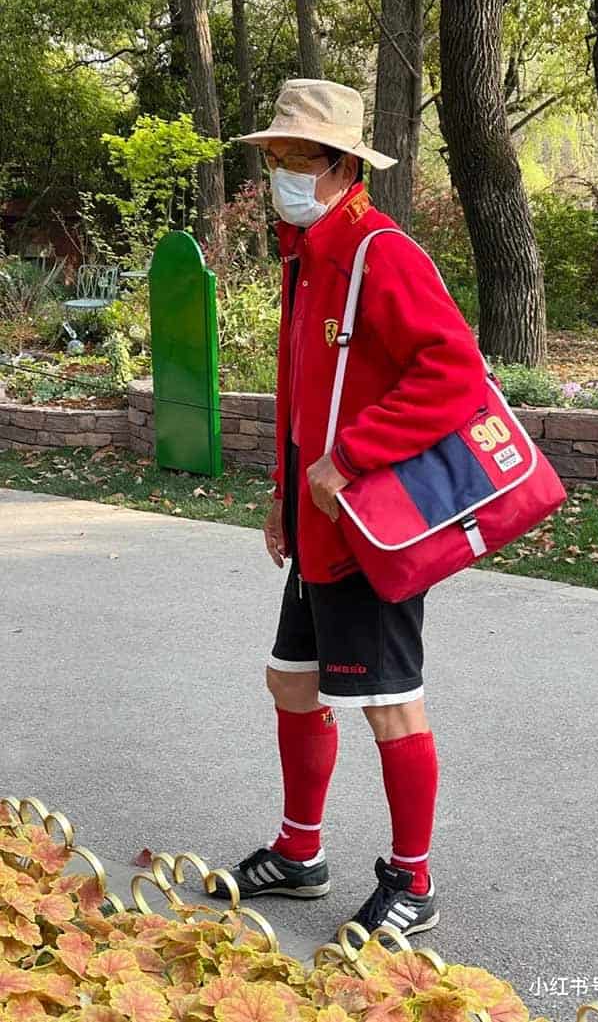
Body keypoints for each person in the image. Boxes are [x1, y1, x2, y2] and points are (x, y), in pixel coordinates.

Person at [211, 78, 487, 942]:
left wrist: (349, 458)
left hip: (372, 523)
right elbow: (307, 393)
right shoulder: (307, 252)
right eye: (275, 157)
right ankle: (301, 854)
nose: (280, 174)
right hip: (318, 521)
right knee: (290, 679)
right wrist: (282, 494)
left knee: (391, 700)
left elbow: (455, 374)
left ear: (339, 166)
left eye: (295, 158)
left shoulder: (382, 251)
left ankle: (415, 882)